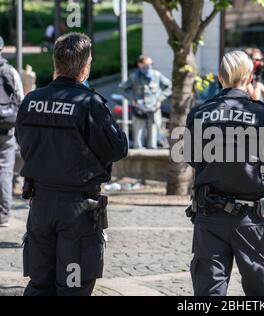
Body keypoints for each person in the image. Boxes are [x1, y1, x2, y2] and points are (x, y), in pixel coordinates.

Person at [15, 33, 128, 296]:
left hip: (40, 205)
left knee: (39, 284)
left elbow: (24, 142)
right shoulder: (89, 103)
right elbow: (117, 148)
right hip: (77, 210)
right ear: (85, 66)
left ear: (56, 62)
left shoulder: (31, 101)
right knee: (73, 286)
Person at [184, 50, 264, 296]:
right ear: (251, 77)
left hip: (209, 215)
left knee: (209, 292)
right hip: (250, 218)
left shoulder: (199, 114)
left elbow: (191, 159)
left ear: (220, 77)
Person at [120, 55, 172, 149]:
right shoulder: (134, 77)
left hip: (154, 110)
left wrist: (160, 99)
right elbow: (122, 88)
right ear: (140, 64)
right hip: (139, 111)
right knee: (138, 142)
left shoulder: (156, 75)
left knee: (153, 141)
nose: (149, 67)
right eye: (146, 64)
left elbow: (169, 86)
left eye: (151, 64)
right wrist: (132, 100)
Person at [0, 35, 24, 228]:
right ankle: (3, 214)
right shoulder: (10, 71)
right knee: (5, 171)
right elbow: (21, 100)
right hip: (7, 128)